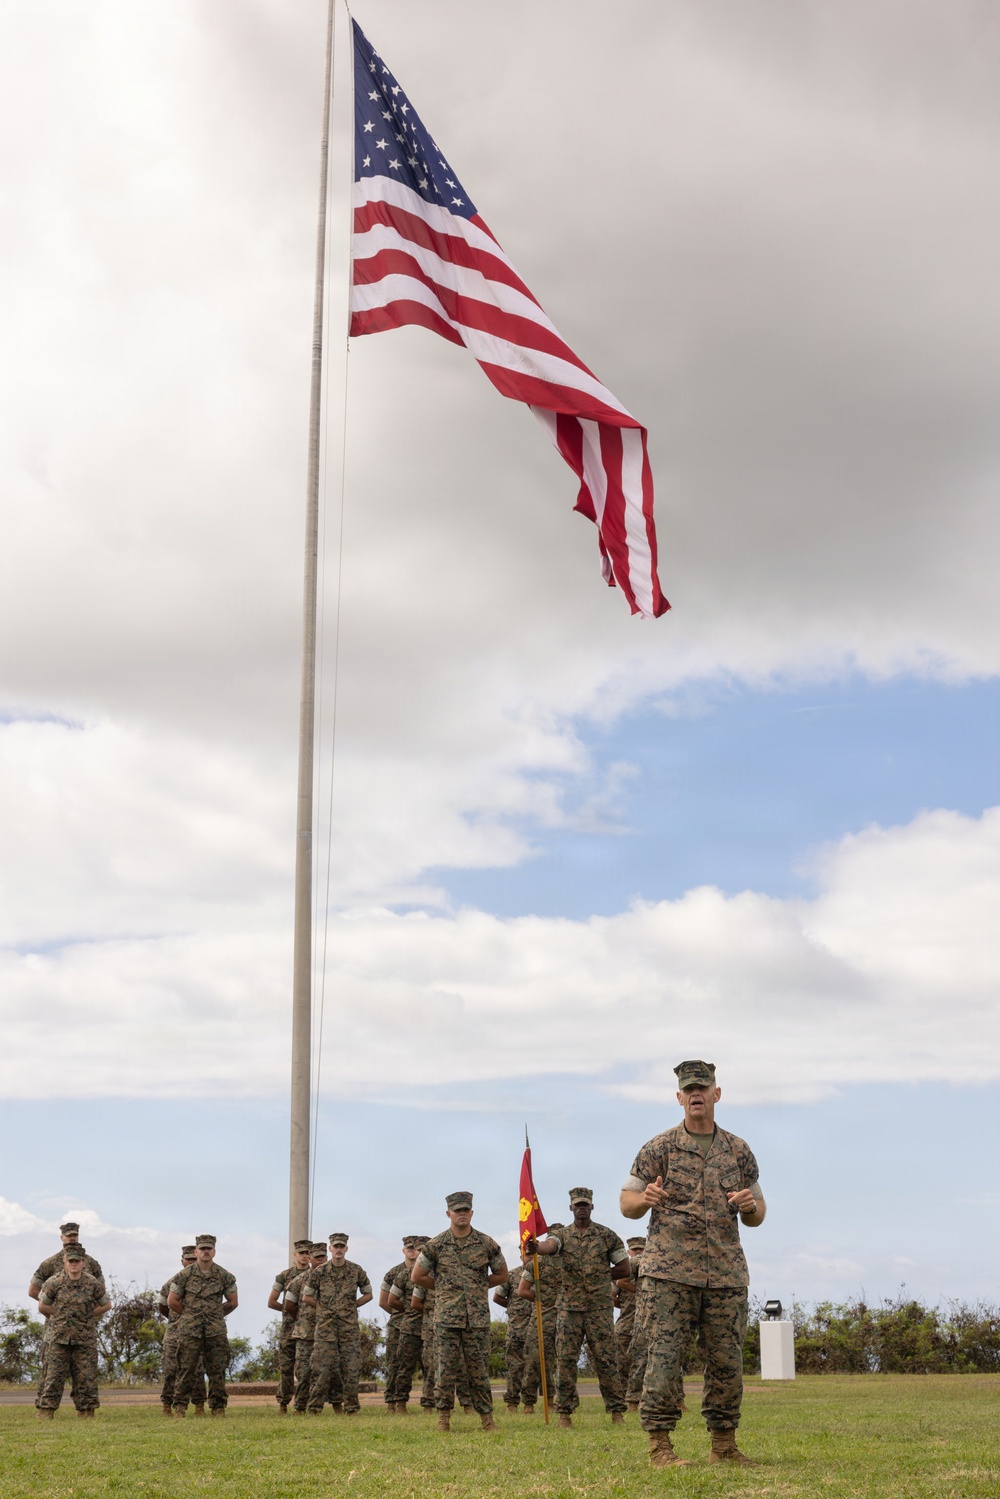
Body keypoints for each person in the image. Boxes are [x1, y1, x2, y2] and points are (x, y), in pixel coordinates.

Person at [620, 1059, 766, 1468]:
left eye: (702, 1087)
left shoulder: (738, 1151)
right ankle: (660, 1448)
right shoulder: (659, 1148)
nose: (696, 1094)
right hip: (669, 1275)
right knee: (663, 1360)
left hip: (725, 1275)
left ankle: (724, 1446)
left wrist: (750, 1206)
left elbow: (758, 1213)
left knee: (727, 1363)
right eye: (689, 1089)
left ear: (716, 1094)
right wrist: (644, 1198)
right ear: (679, 1097)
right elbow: (627, 1203)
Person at [525, 1188, 629, 1426]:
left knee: (606, 1359)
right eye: (577, 1205)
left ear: (592, 1207)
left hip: (599, 1309)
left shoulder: (606, 1235)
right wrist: (537, 1248)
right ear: (570, 1208)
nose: (581, 1208)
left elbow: (624, 1268)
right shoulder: (562, 1235)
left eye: (585, 1205)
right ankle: (564, 1413)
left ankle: (616, 1412)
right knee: (565, 1360)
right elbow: (551, 1245)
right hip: (568, 1309)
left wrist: (598, 1274)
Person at [412, 1190, 507, 1433]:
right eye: (457, 1211)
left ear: (472, 1213)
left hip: (477, 1319)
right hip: (447, 1318)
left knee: (479, 1371)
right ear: (448, 1214)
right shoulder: (436, 1245)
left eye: (465, 1210)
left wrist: (477, 1286)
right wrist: (444, 1288)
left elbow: (502, 1274)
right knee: (444, 1371)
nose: (461, 1214)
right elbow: (418, 1276)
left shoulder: (486, 1243)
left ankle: (487, 1419)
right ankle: (443, 1419)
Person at [28, 1221, 105, 1411]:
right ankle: (44, 1406)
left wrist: (84, 1313)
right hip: (56, 1325)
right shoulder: (49, 1263)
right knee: (51, 1369)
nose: (72, 1239)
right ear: (61, 1237)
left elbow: (101, 1293)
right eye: (68, 1235)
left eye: (74, 1235)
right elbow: (33, 1290)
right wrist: (59, 1309)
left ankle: (85, 1407)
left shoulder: (91, 1263)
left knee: (84, 1371)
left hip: (83, 1327)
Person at [167, 1234, 238, 1417]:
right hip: (190, 1331)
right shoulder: (183, 1276)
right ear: (196, 1251)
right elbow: (172, 1301)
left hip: (215, 1331)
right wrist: (189, 1315)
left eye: (209, 1249)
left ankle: (218, 1408)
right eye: (202, 1249)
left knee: (217, 1370)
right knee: (186, 1369)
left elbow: (233, 1302)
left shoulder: (224, 1276)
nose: (206, 1252)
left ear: (214, 1251)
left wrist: (216, 1315)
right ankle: (180, 1408)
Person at [302, 1233, 373, 1415]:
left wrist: (352, 1306)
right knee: (321, 1369)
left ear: (346, 1249)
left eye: (342, 1246)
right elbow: (307, 1296)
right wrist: (322, 1308)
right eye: (336, 1246)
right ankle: (314, 1408)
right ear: (330, 1249)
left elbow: (368, 1294)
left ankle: (351, 1408)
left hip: (349, 1328)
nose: (339, 1250)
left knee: (351, 1369)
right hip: (325, 1329)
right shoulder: (320, 1272)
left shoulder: (356, 1270)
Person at [515, 1222, 563, 1414]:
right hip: (547, 1317)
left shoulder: (571, 1261)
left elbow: (522, 1291)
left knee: (559, 1361)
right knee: (538, 1361)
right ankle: (531, 1403)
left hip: (562, 1316)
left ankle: (555, 1402)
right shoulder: (538, 1262)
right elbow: (522, 1290)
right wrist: (543, 1300)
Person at [283, 1241, 333, 1413]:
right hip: (305, 1334)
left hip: (328, 1333)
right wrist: (301, 1318)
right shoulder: (298, 1281)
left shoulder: (333, 1279)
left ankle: (332, 1405)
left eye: (323, 1257)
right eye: (316, 1257)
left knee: (328, 1371)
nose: (320, 1260)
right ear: (310, 1258)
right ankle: (300, 1407)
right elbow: (289, 1305)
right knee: (303, 1372)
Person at [385, 1236, 433, 1411]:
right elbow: (391, 1300)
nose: (420, 1253)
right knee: (404, 1366)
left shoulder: (438, 1273)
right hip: (410, 1327)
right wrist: (409, 1310)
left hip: (431, 1327)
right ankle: (399, 1402)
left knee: (431, 1367)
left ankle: (429, 1404)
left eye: (424, 1250)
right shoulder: (405, 1274)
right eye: (418, 1250)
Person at [157, 1246, 206, 1416]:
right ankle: (167, 1406)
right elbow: (163, 1305)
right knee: (171, 1370)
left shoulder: (204, 1283)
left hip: (196, 1333)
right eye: (188, 1259)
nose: (190, 1262)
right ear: (182, 1261)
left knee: (197, 1371)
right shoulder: (171, 1282)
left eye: (193, 1259)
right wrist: (177, 1319)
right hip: (174, 1333)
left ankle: (199, 1406)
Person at [269, 1240, 313, 1413]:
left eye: (307, 1253)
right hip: (289, 1329)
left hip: (308, 1330)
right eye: (301, 1253)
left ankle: (304, 1403)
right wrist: (290, 1310)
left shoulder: (317, 1275)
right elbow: (272, 1301)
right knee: (286, 1367)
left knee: (305, 1369)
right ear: (295, 1255)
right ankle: (283, 1402)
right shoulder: (284, 1276)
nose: (305, 1256)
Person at [380, 1237, 418, 1412]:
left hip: (425, 1324)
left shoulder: (431, 1271)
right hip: (399, 1324)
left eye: (415, 1248)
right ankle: (392, 1401)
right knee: (395, 1363)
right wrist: (404, 1312)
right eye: (409, 1248)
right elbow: (384, 1301)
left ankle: (432, 1402)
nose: (412, 1251)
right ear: (403, 1250)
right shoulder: (394, 1273)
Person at [492, 1253, 533, 1411]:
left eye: (534, 1255)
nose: (531, 1258)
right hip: (516, 1328)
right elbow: (497, 1297)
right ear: (521, 1256)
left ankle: (530, 1404)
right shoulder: (512, 1275)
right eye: (527, 1255)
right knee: (515, 1367)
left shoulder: (544, 1274)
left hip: (537, 1328)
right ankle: (512, 1403)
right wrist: (512, 1308)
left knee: (535, 1367)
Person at [614, 1235, 645, 1398]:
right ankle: (622, 1396)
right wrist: (626, 1304)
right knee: (622, 1363)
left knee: (643, 1362)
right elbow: (612, 1294)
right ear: (628, 1252)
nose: (638, 1252)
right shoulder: (624, 1271)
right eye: (635, 1250)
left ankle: (639, 1395)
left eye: (641, 1249)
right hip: (626, 1324)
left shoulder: (647, 1269)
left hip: (645, 1324)